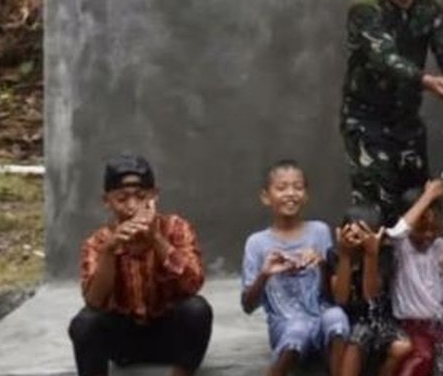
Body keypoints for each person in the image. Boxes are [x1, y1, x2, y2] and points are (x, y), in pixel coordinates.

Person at [342, 0, 443, 226]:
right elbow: (385, 58)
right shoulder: (365, 9)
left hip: (408, 123)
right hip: (368, 124)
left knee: (419, 201)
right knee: (375, 207)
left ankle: (415, 272)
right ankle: (376, 270)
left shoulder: (430, 9)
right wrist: (427, 81)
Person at [68, 154, 212, 376]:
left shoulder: (176, 228)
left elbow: (193, 284)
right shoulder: (97, 242)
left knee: (197, 309)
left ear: (154, 196)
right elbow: (94, 302)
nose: (132, 207)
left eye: (141, 197)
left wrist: (156, 240)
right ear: (107, 201)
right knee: (84, 323)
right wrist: (109, 251)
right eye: (122, 199)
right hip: (123, 342)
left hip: (169, 337)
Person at [241, 160, 349, 376]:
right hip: (285, 324)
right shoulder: (257, 243)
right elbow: (248, 305)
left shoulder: (319, 231)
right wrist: (264, 275)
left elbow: (334, 294)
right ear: (266, 196)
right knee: (298, 328)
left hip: (319, 313)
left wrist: (322, 263)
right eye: (281, 188)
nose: (291, 193)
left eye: (298, 187)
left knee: (336, 317)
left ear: (306, 195)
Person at [330, 204, 413, 376]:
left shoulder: (385, 255)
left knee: (402, 346)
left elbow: (371, 295)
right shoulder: (335, 254)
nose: (357, 240)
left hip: (379, 316)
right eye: (352, 234)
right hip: (350, 317)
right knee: (357, 339)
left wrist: (371, 254)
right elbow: (340, 297)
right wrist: (345, 256)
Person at [386, 178, 443, 376]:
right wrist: (428, 196)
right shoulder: (401, 247)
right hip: (411, 326)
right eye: (421, 228)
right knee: (422, 357)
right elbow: (397, 232)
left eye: (434, 229)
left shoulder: (440, 247)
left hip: (438, 325)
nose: (428, 234)